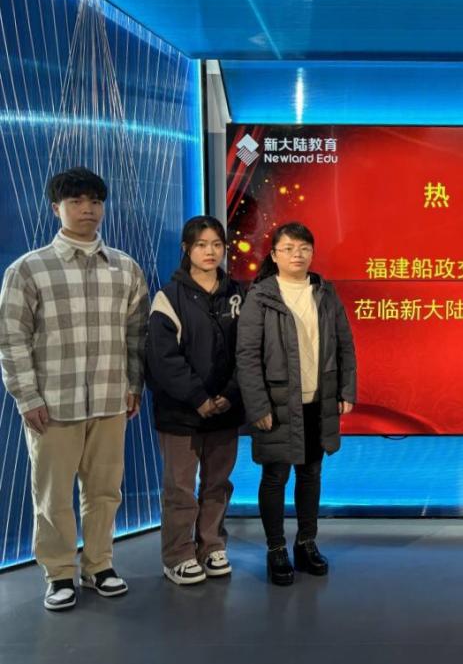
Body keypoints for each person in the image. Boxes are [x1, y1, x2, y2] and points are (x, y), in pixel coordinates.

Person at [0, 167, 148, 611]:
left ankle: (99, 565)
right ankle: (59, 572)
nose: (88, 210)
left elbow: (137, 334)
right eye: (77, 201)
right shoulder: (28, 269)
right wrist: (27, 396)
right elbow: (11, 339)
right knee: (52, 496)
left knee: (105, 491)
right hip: (53, 404)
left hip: (109, 400)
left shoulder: (125, 267)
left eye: (95, 201)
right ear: (56, 208)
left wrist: (134, 385)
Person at [237, 221, 357, 586]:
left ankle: (306, 543)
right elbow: (246, 356)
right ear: (274, 255)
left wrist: (346, 390)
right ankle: (276, 549)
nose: (297, 255)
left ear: (312, 253)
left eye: (304, 248)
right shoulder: (261, 296)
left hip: (318, 400)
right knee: (275, 477)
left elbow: (345, 344)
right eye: (288, 248)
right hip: (276, 404)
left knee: (311, 474)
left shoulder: (325, 293)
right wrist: (258, 407)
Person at [146, 216, 245, 586]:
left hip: (226, 409)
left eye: (217, 244)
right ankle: (178, 555)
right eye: (201, 244)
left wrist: (229, 395)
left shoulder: (239, 294)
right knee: (180, 489)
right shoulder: (168, 297)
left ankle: (212, 545)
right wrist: (199, 398)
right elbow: (163, 359)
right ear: (186, 249)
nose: (210, 252)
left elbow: (248, 351)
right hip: (180, 412)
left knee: (218, 484)